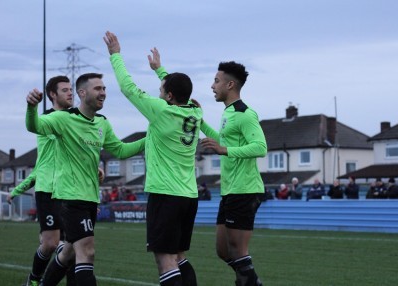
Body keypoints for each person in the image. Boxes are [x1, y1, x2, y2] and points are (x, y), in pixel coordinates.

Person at [25, 72, 146, 286]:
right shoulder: (64, 119)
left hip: (90, 198)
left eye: (104, 88)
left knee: (68, 253)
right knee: (87, 251)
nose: (103, 93)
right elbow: (34, 126)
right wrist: (32, 107)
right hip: (70, 198)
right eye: (98, 89)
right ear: (82, 93)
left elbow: (120, 150)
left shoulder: (102, 123)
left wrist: (150, 138)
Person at [104, 31, 203, 286]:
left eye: (161, 89)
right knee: (179, 257)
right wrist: (160, 70)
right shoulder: (196, 111)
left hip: (165, 195)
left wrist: (115, 55)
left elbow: (128, 88)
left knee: (165, 260)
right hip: (189, 196)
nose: (158, 92)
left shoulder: (161, 111)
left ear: (169, 96)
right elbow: (182, 92)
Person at [199, 61, 267, 286]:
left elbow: (260, 147)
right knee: (223, 250)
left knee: (238, 251)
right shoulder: (228, 113)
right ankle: (249, 280)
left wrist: (224, 150)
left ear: (230, 84)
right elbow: (222, 142)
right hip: (229, 190)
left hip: (245, 189)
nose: (212, 86)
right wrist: (199, 120)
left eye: (216, 81)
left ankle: (249, 282)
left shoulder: (245, 114)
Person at [6, 76, 75, 286]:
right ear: (52, 95)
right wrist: (17, 189)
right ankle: (34, 279)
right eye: (65, 90)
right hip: (49, 192)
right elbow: (40, 168)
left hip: (72, 192)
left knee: (75, 247)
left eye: (71, 89)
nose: (70, 93)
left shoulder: (76, 120)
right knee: (51, 245)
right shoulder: (46, 120)